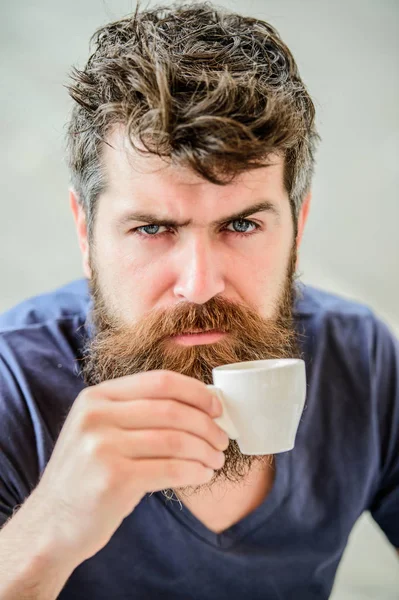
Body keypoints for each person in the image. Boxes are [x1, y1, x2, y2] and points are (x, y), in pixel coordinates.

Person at [0, 2, 398, 598]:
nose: (201, 283)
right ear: (85, 232)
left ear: (299, 222)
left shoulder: (361, 359)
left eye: (241, 227)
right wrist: (50, 526)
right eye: (153, 229)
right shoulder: (11, 385)